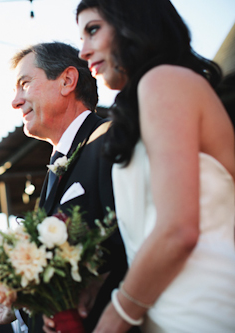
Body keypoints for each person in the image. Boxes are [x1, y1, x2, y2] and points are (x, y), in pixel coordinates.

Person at [56, 0, 235, 332]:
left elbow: (178, 229)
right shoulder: (150, 97)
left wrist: (117, 314)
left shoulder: (164, 81)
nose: (83, 51)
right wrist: (103, 282)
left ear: (132, 22)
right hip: (163, 304)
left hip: (199, 305)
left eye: (93, 30)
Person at [0, 42, 129, 333]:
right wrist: (21, 306)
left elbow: (134, 242)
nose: (16, 101)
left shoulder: (108, 141)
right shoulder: (54, 170)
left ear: (67, 81)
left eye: (25, 84)